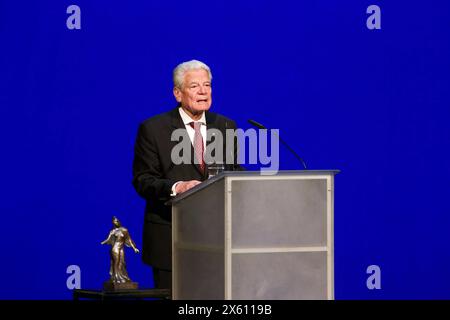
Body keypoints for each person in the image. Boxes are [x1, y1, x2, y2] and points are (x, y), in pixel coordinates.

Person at [132, 59, 241, 290]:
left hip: (216, 240)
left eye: (208, 85)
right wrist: (177, 187)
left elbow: (235, 173)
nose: (203, 91)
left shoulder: (226, 126)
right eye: (195, 86)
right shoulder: (153, 129)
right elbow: (143, 180)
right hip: (170, 238)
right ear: (177, 93)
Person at [101, 216, 140, 284]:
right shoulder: (112, 231)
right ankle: (116, 276)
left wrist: (134, 248)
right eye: (114, 222)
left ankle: (122, 276)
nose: (115, 223)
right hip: (115, 248)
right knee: (116, 262)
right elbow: (108, 239)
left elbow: (129, 240)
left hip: (121, 249)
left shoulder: (124, 230)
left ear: (118, 222)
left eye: (116, 221)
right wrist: (103, 242)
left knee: (122, 262)